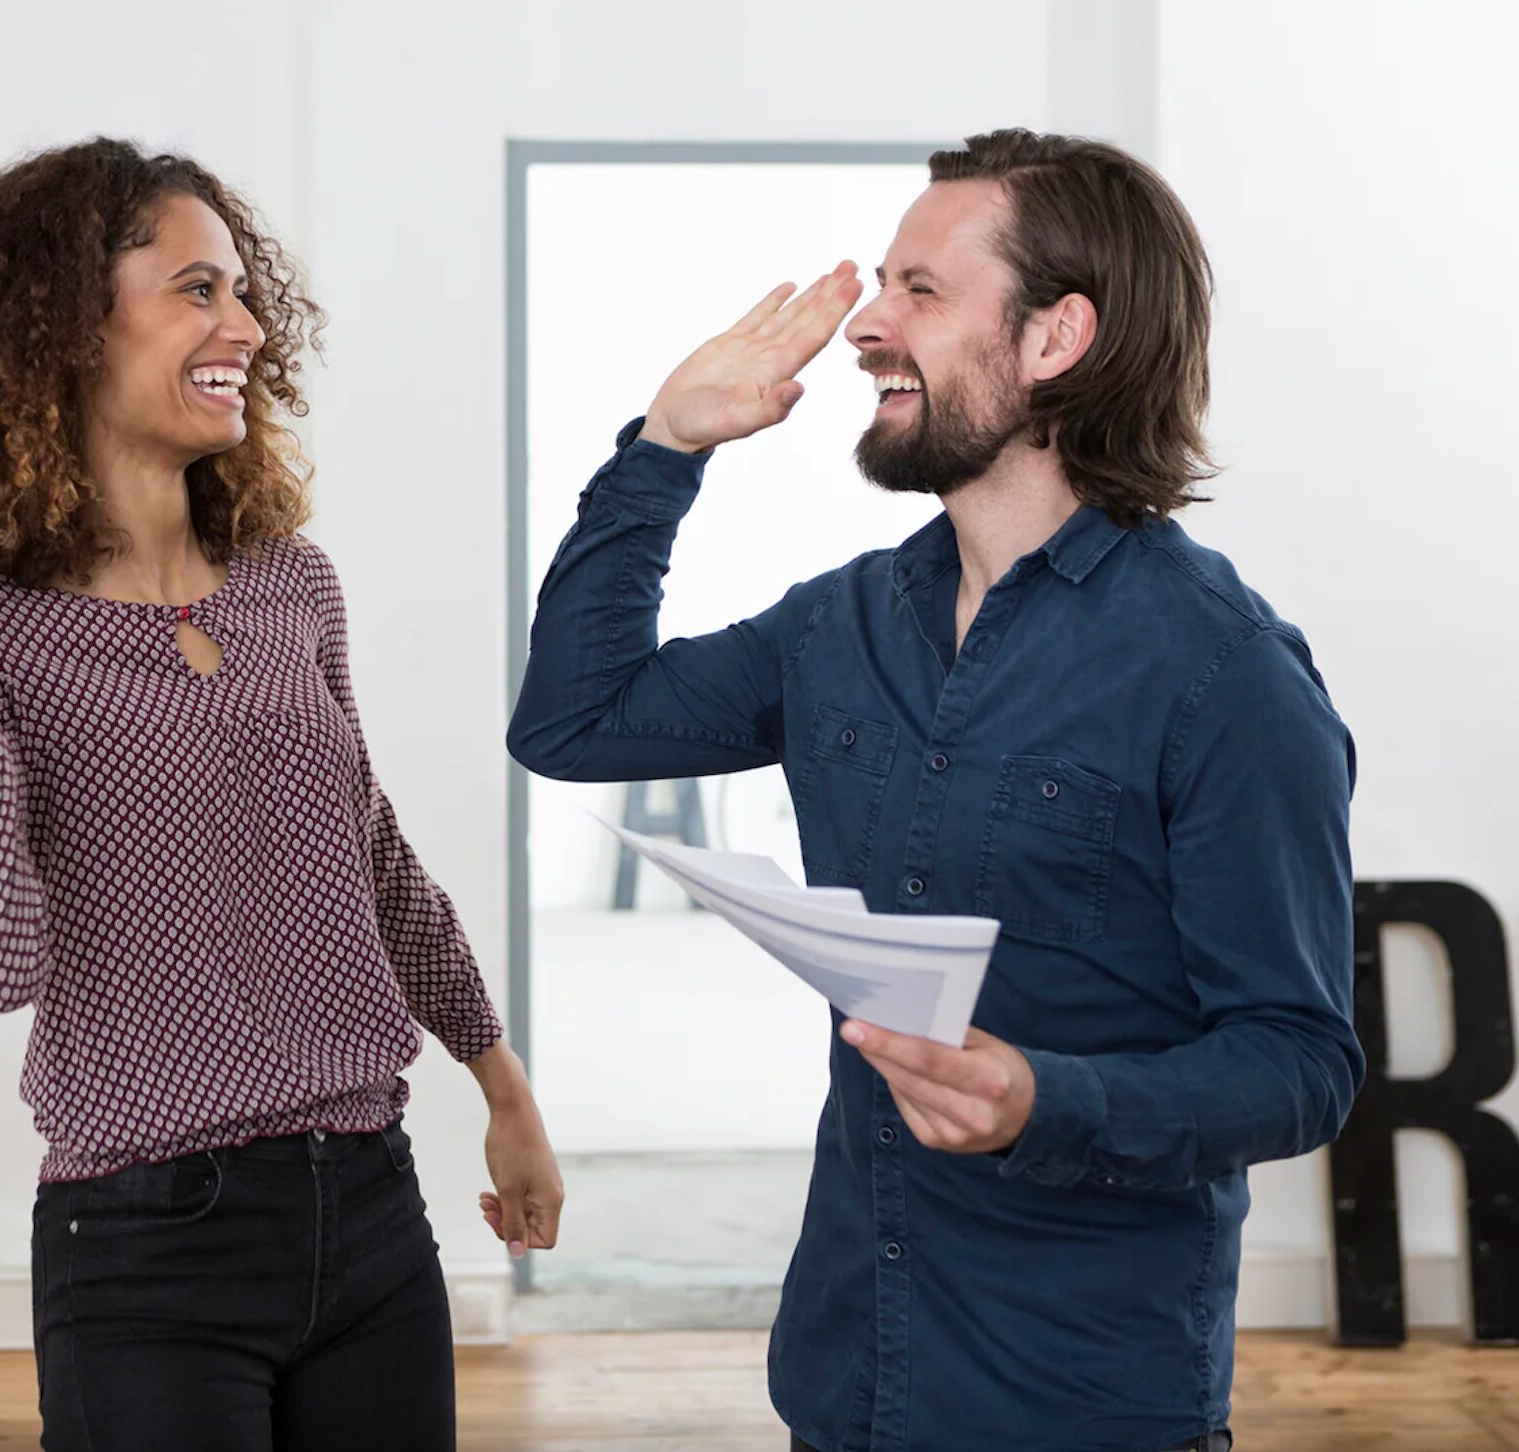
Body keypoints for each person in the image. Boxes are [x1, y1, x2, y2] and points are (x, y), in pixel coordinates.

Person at [507, 128, 1362, 1452]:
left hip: (1076, 1401)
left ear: (1052, 337)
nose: (864, 327)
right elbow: (571, 721)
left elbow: (1300, 1064)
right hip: (845, 1374)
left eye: (919, 289)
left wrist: (1043, 1101)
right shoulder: (841, 624)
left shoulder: (1222, 672)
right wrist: (664, 447)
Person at [0, 136, 562, 1451]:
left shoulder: (287, 586)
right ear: (65, 328)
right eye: (197, 290)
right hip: (145, 1249)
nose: (246, 327)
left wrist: (503, 1091)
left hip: (368, 1203)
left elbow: (374, 864)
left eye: (242, 292)